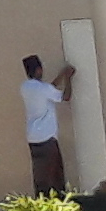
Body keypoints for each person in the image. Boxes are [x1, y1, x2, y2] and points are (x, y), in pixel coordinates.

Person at [20, 53, 78, 194]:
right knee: (54, 177)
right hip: (47, 138)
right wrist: (68, 78)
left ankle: (40, 205)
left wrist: (60, 76)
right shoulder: (43, 89)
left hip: (33, 138)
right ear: (39, 69)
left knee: (41, 176)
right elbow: (66, 97)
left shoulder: (26, 87)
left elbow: (48, 89)